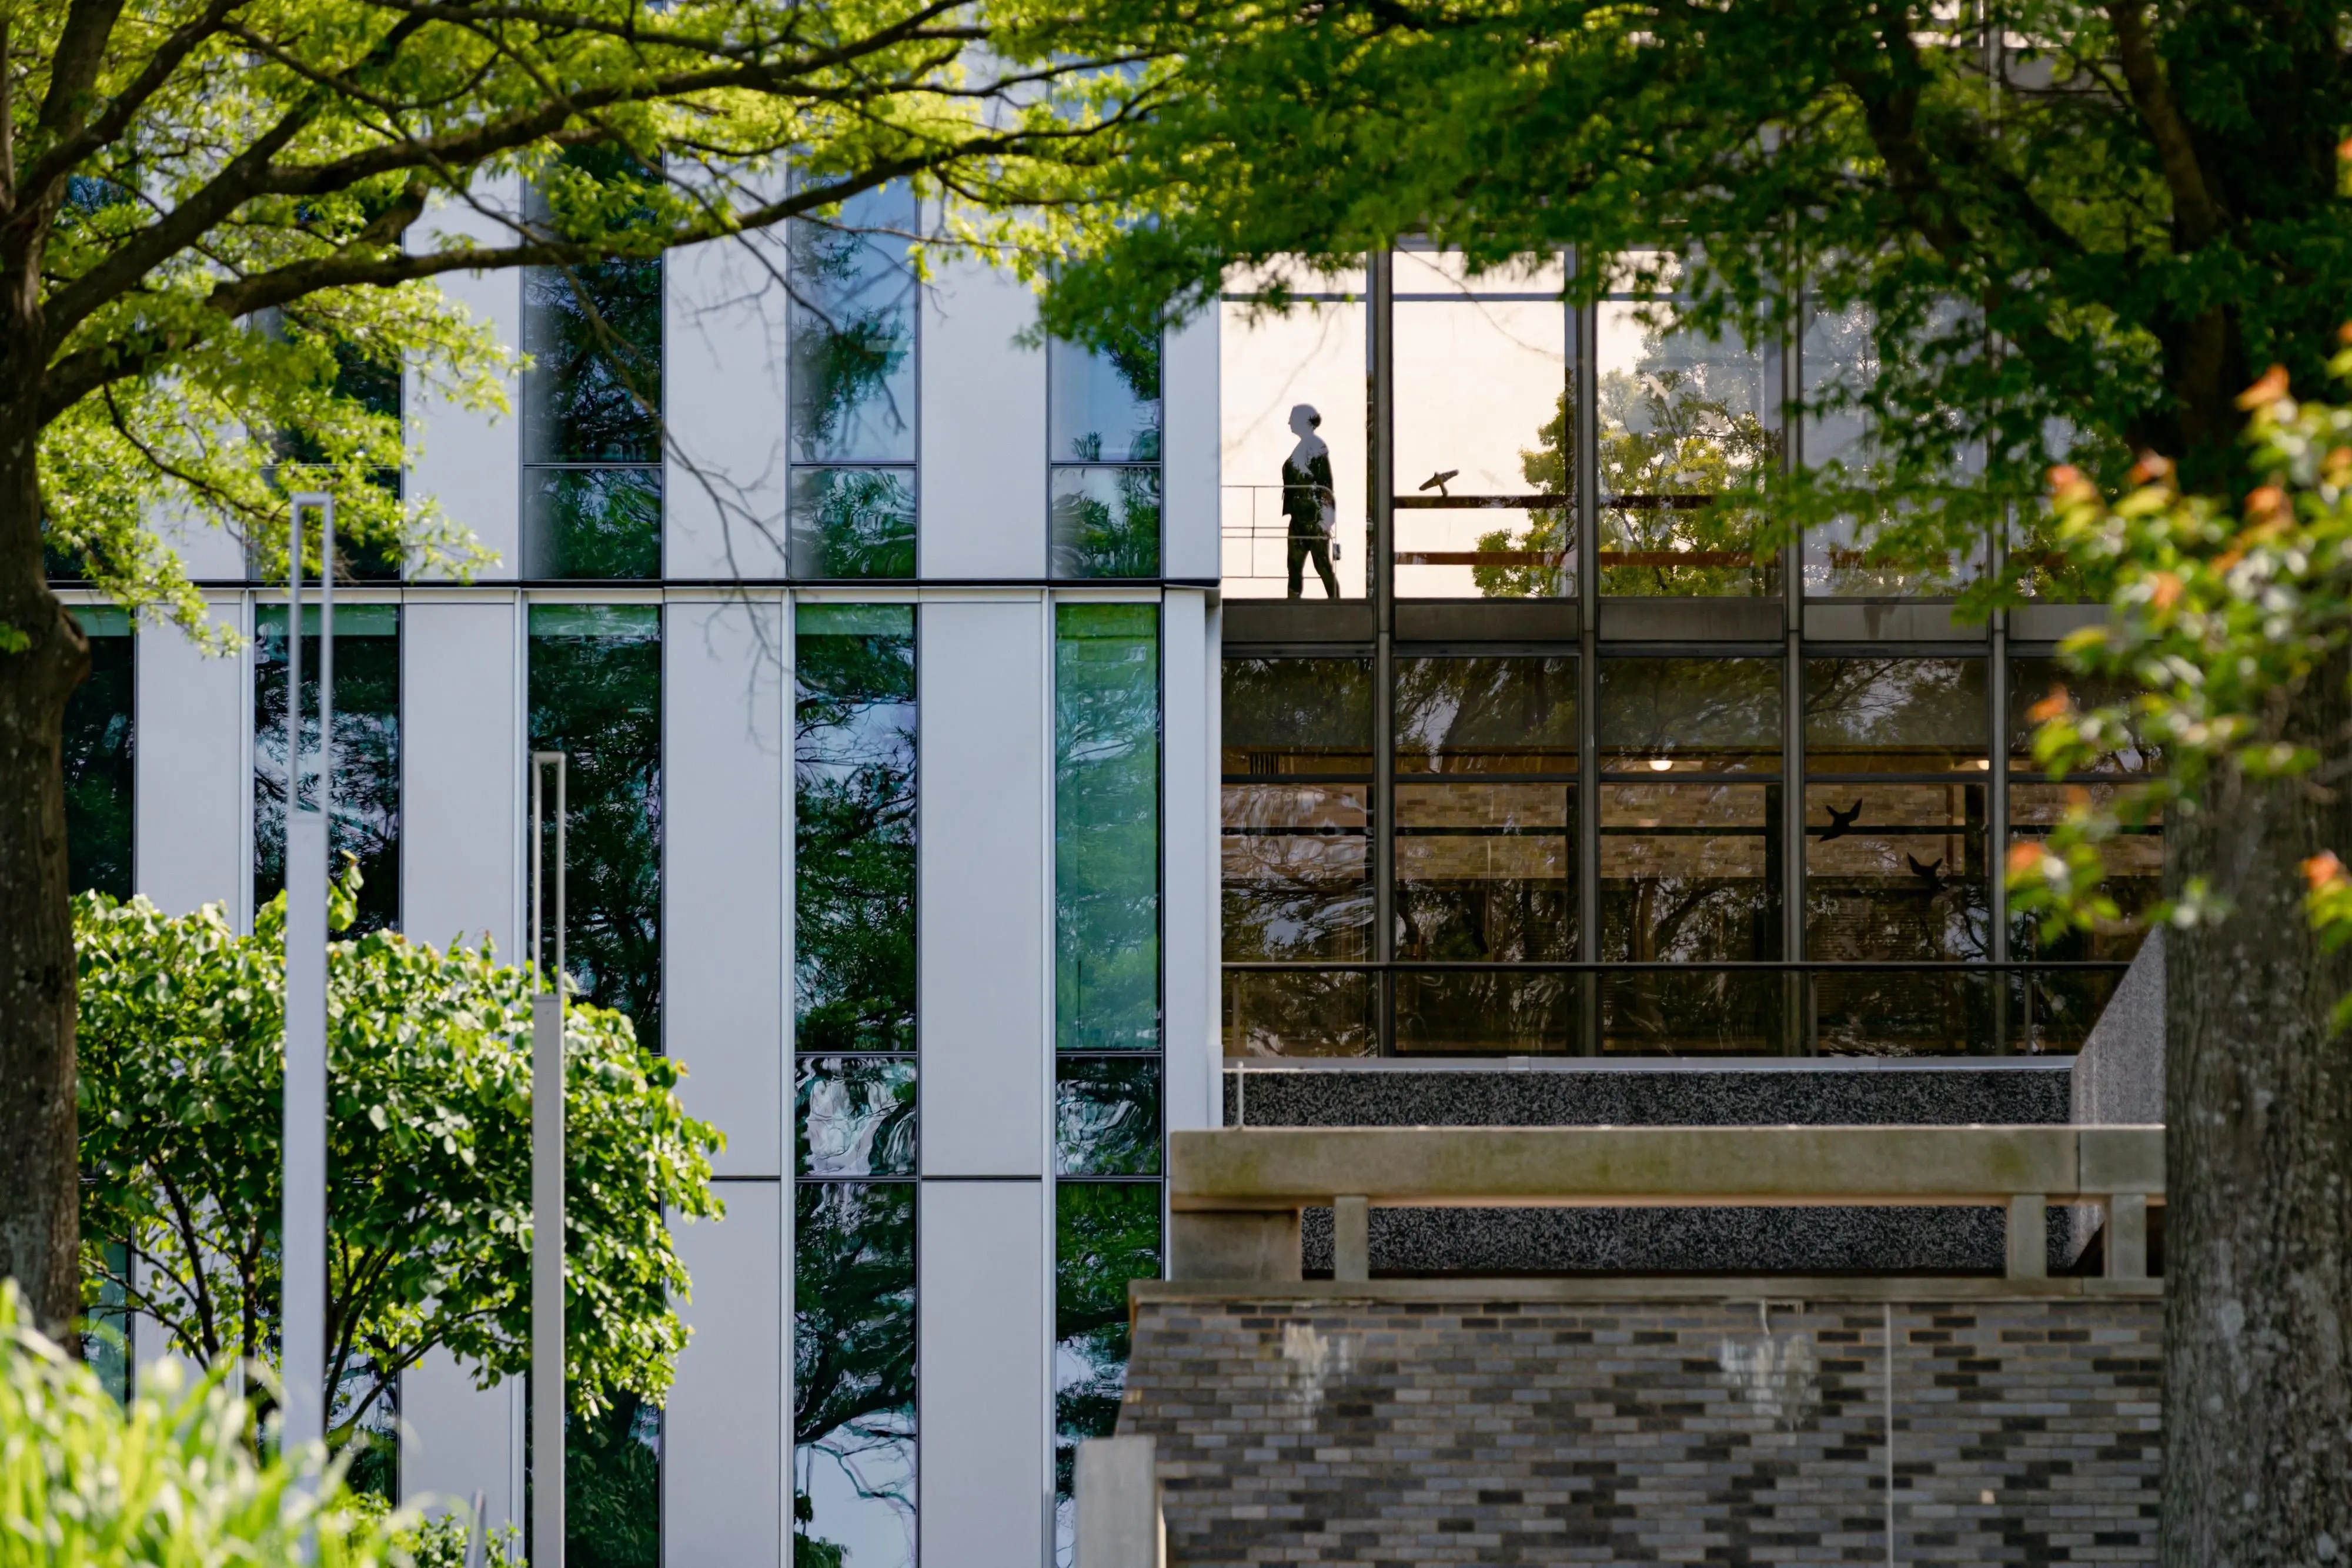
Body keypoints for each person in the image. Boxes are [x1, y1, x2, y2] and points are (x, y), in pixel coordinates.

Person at [1281, 403, 1341, 599]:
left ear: (1302, 421)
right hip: (1300, 517)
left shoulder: (1316, 446)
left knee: (1321, 563)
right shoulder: (1305, 446)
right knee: (1294, 565)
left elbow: (1326, 484)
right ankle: (1291, 608)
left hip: (1314, 518)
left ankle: (1337, 607)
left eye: (1292, 418)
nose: (1289, 422)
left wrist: (1325, 520)